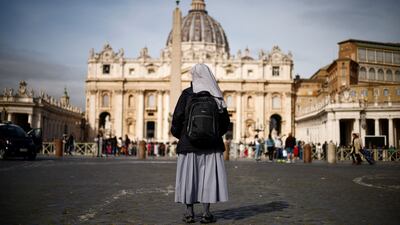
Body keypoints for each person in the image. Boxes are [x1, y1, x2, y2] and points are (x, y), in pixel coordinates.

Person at [171, 64, 230, 224]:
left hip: (188, 144)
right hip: (211, 145)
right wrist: (213, 135)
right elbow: (225, 123)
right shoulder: (216, 95)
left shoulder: (187, 94)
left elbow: (176, 118)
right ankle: (206, 213)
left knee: (189, 178)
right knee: (208, 178)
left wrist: (182, 136)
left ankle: (189, 213)